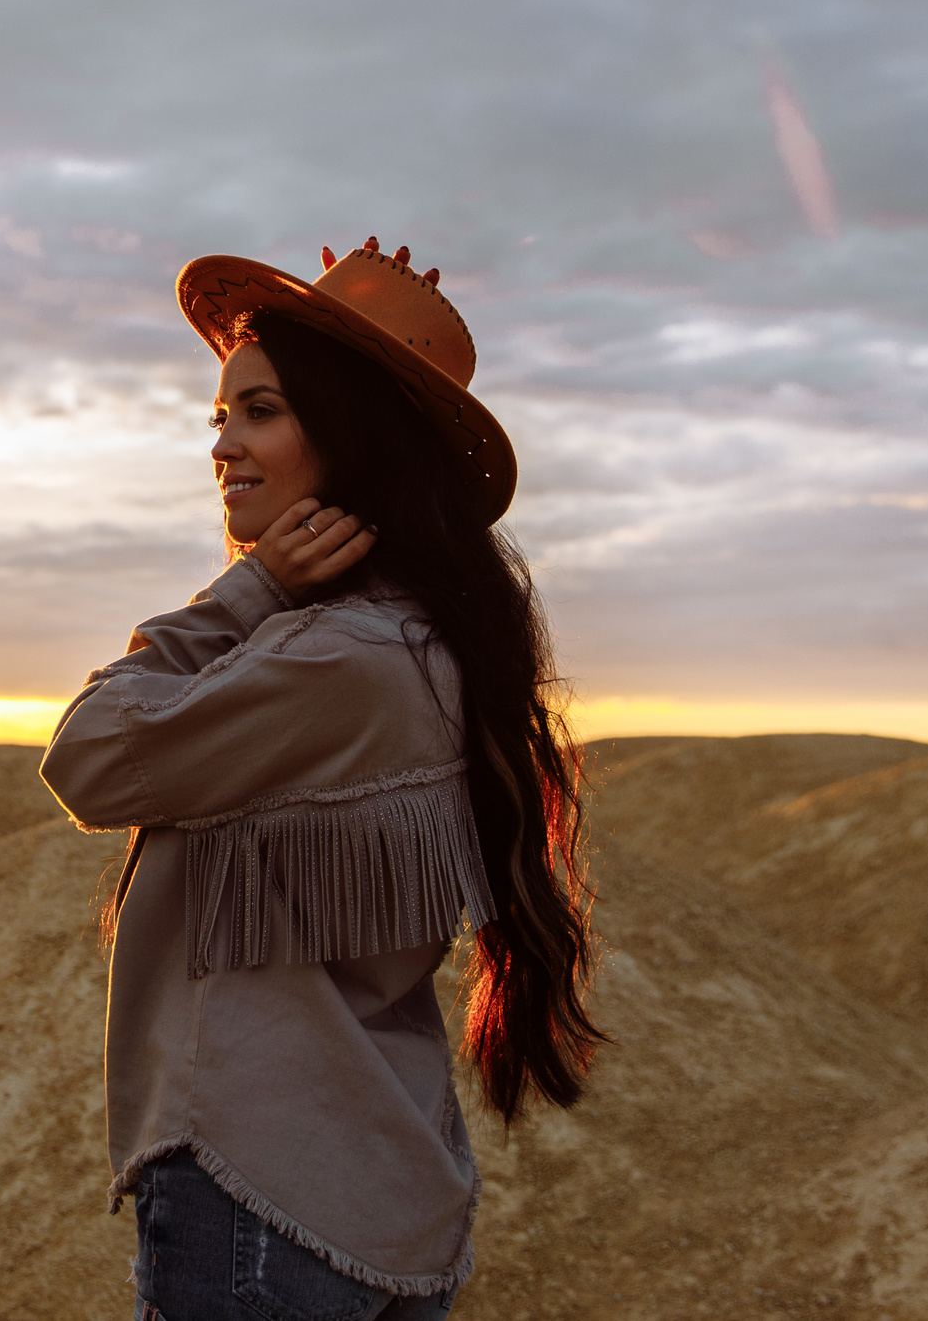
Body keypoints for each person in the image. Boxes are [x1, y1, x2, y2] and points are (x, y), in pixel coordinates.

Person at [40, 238, 604, 1321]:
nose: (222, 445)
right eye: (219, 418)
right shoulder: (421, 641)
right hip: (377, 1179)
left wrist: (241, 593)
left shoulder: (330, 657)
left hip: (260, 1187)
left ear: (355, 440)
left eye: (260, 411)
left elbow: (90, 758)